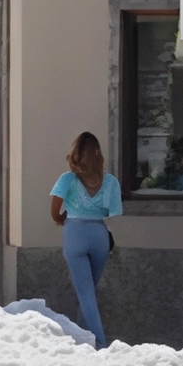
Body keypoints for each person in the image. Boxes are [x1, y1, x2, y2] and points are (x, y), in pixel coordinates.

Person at [50, 133, 123, 350]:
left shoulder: (67, 179)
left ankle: (99, 342)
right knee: (89, 290)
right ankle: (83, 338)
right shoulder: (110, 182)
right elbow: (112, 211)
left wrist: (63, 219)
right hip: (100, 234)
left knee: (85, 292)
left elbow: (55, 211)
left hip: (75, 233)